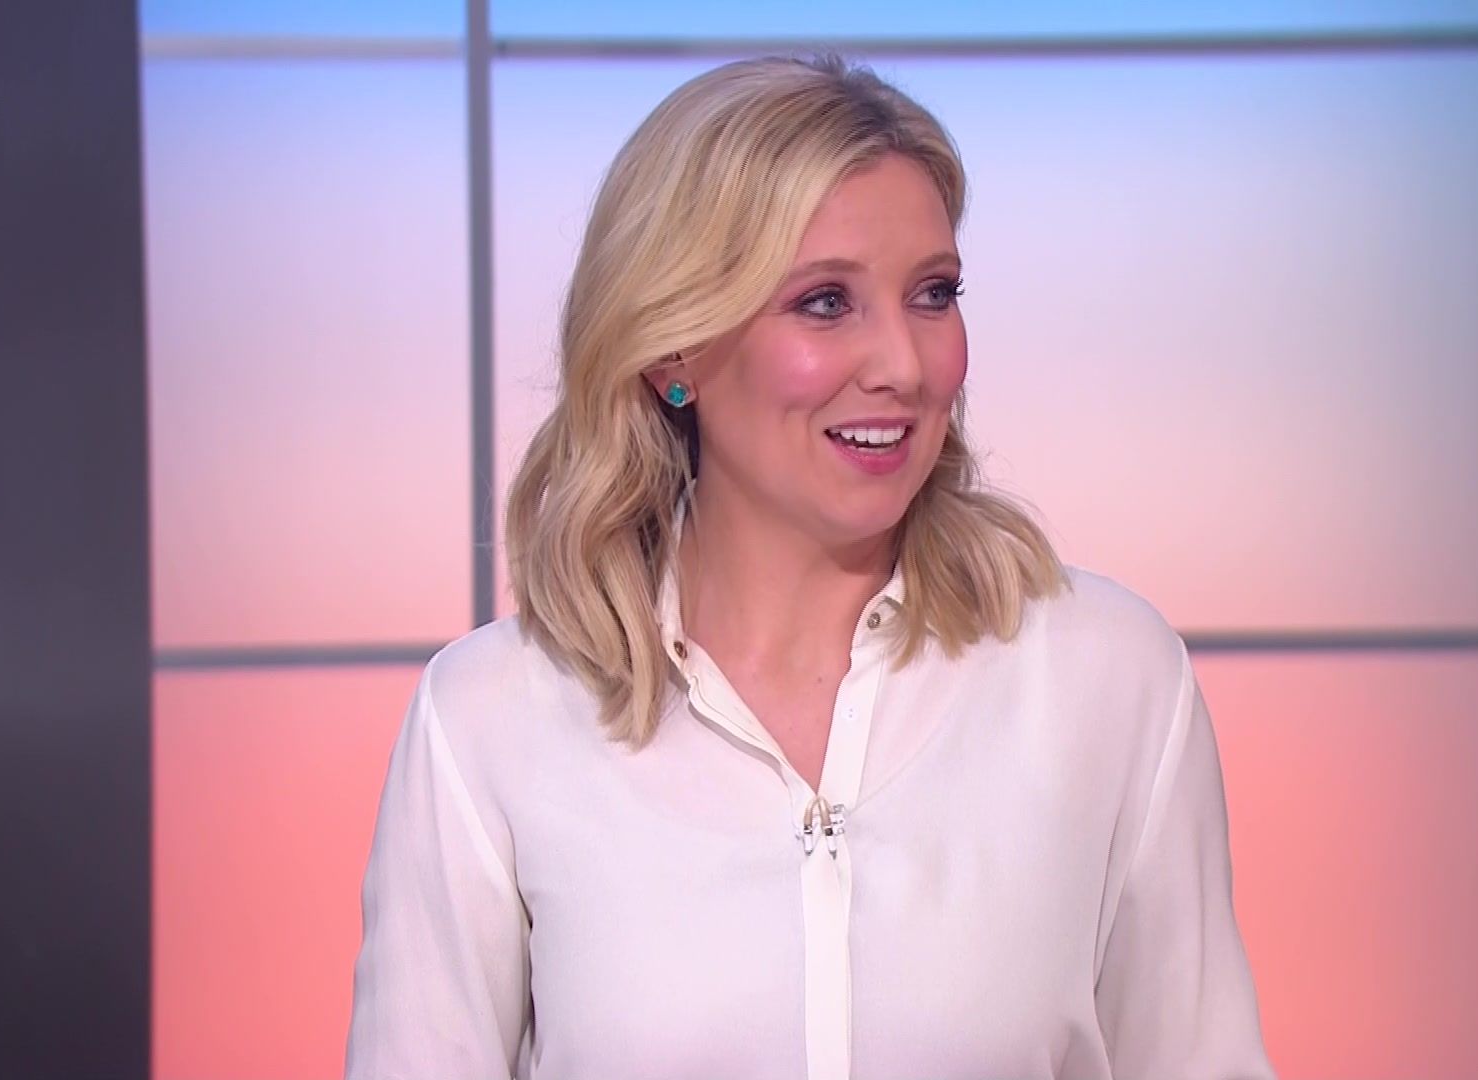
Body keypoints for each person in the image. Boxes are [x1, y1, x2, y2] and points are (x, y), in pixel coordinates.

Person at [343, 53, 1274, 1080]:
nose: (905, 366)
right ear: (673, 351)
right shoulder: (491, 720)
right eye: (826, 303)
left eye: (933, 294)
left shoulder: (1106, 679)